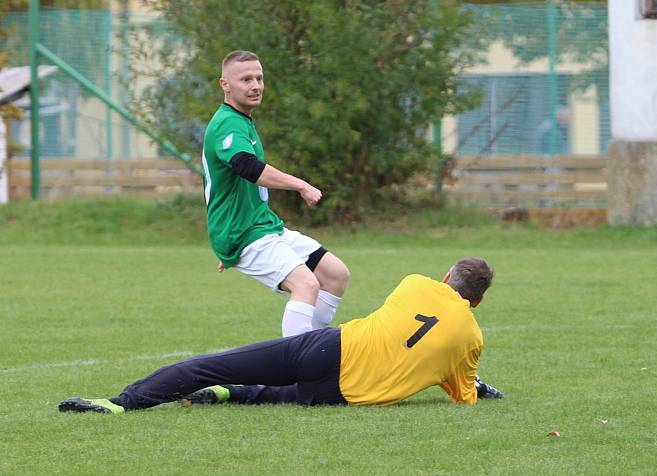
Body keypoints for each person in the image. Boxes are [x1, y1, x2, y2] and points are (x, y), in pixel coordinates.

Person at [58, 258, 504, 414]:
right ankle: (226, 396)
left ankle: (122, 403)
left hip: (329, 349)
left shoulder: (414, 283)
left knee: (213, 363)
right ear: (477, 302)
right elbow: (462, 392)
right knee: (276, 396)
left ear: (445, 276)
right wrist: (478, 387)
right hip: (344, 397)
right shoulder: (472, 337)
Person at [201, 49, 350, 337]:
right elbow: (247, 167)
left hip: (261, 226)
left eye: (259, 77)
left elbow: (224, 184)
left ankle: (308, 349)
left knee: (335, 274)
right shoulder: (227, 123)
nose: (255, 85)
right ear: (225, 84)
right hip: (245, 233)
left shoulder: (241, 120)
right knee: (306, 284)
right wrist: (301, 185)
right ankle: (294, 367)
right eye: (246, 79)